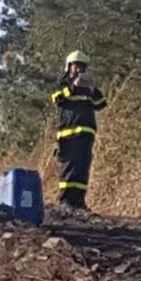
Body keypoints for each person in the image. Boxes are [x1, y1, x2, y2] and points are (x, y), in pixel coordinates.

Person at [51, 50, 106, 211]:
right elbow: (57, 98)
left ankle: (79, 202)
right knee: (69, 169)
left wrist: (92, 86)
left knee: (82, 169)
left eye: (82, 66)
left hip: (86, 135)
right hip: (68, 135)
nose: (79, 70)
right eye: (76, 66)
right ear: (68, 67)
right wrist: (74, 86)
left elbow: (101, 104)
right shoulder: (62, 84)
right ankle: (65, 202)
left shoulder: (88, 89)